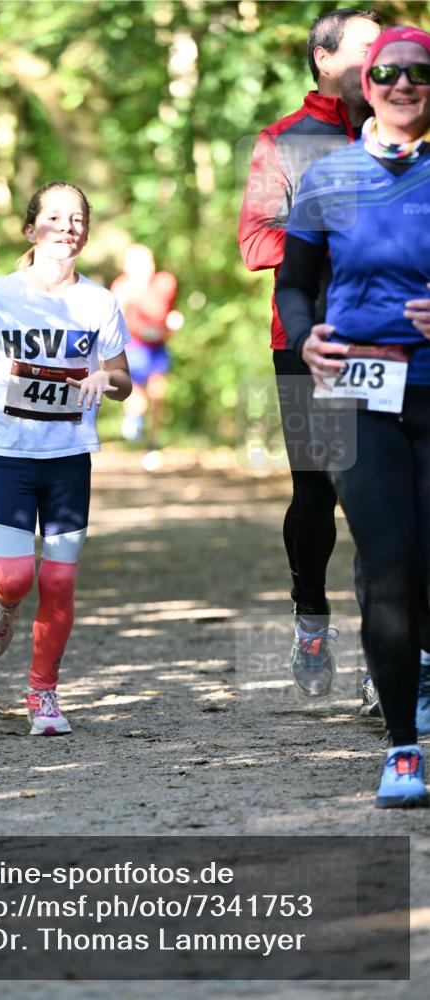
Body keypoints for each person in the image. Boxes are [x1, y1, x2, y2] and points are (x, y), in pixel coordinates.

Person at [276, 25, 430, 808]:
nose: (404, 86)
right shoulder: (328, 175)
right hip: (354, 393)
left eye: (419, 73)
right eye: (388, 74)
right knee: (390, 564)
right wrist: (305, 341)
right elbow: (292, 284)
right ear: (363, 84)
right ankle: (403, 748)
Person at [0, 181, 132, 735]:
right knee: (15, 577)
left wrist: (108, 377)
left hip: (69, 458)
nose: (67, 226)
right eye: (55, 217)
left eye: (77, 217)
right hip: (9, 455)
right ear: (31, 229)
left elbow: (125, 379)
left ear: (86, 231)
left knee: (58, 582)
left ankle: (43, 695)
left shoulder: (99, 302)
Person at [239, 8, 382, 700]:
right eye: (364, 46)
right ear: (324, 59)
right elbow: (255, 242)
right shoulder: (282, 142)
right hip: (306, 341)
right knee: (317, 492)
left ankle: (390, 658)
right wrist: (333, 237)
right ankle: (310, 618)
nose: (380, 56)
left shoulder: (403, 138)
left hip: (391, 342)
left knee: (384, 499)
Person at [111, 244, 180, 469]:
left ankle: (153, 441)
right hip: (133, 347)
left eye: (148, 262)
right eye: (139, 264)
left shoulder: (164, 283)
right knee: (137, 395)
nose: (146, 268)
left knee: (158, 393)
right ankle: (134, 419)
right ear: (128, 267)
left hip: (158, 347)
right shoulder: (122, 287)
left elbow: (170, 311)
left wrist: (172, 321)